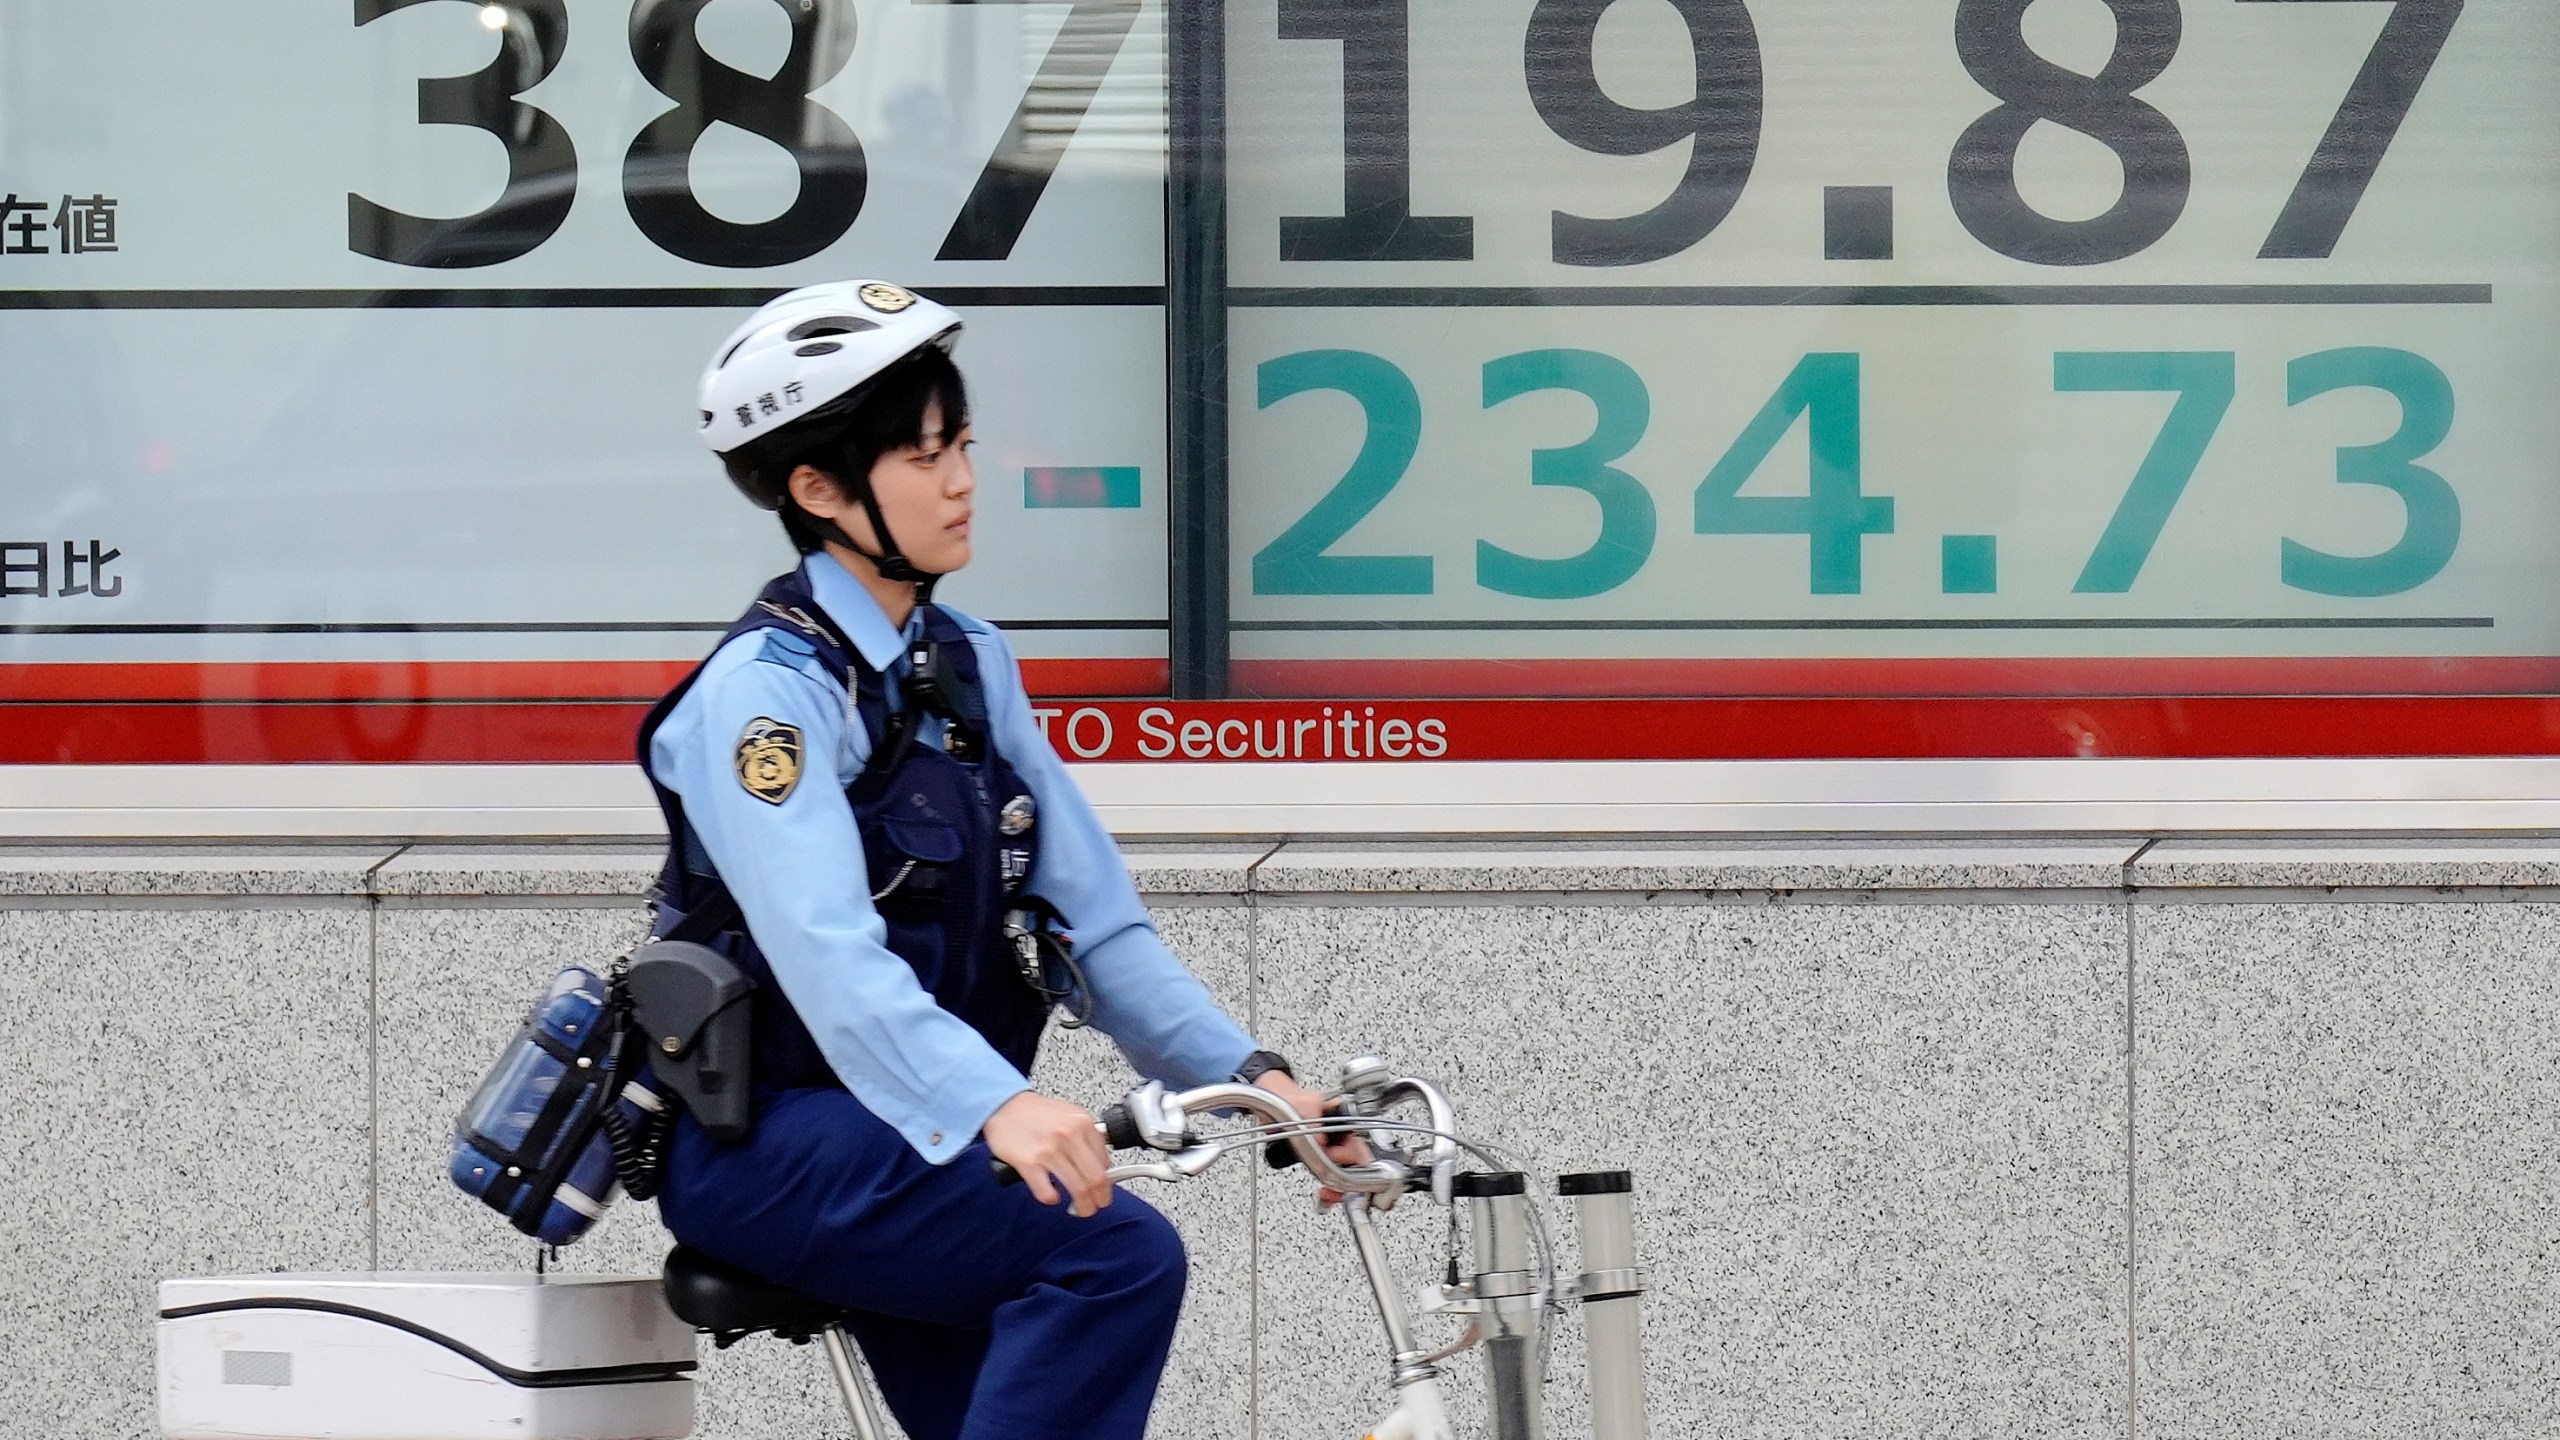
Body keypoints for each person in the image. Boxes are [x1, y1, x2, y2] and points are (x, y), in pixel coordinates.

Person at [639, 279, 1355, 1440]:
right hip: (774, 1139)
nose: (964, 480)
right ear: (818, 490)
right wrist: (999, 1105)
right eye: (923, 457)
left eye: (961, 444)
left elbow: (1095, 926)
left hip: (925, 1140)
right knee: (1112, 1258)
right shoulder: (763, 703)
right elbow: (827, 957)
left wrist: (1258, 1079)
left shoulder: (967, 661)